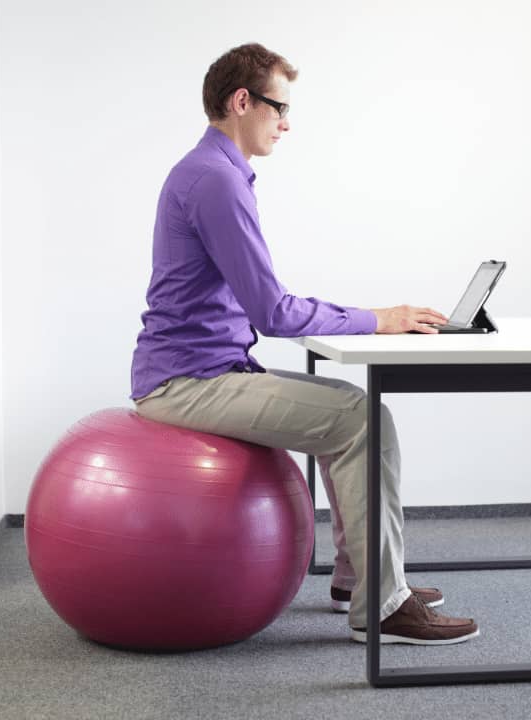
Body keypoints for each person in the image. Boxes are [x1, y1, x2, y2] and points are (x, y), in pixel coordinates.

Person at [130, 42, 479, 646]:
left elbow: (263, 304)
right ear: (242, 101)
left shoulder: (214, 172)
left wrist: (372, 317)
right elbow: (273, 310)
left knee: (354, 411)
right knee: (359, 420)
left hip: (208, 370)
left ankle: (360, 577)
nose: (287, 123)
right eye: (279, 108)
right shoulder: (215, 180)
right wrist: (380, 317)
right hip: (186, 384)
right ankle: (384, 605)